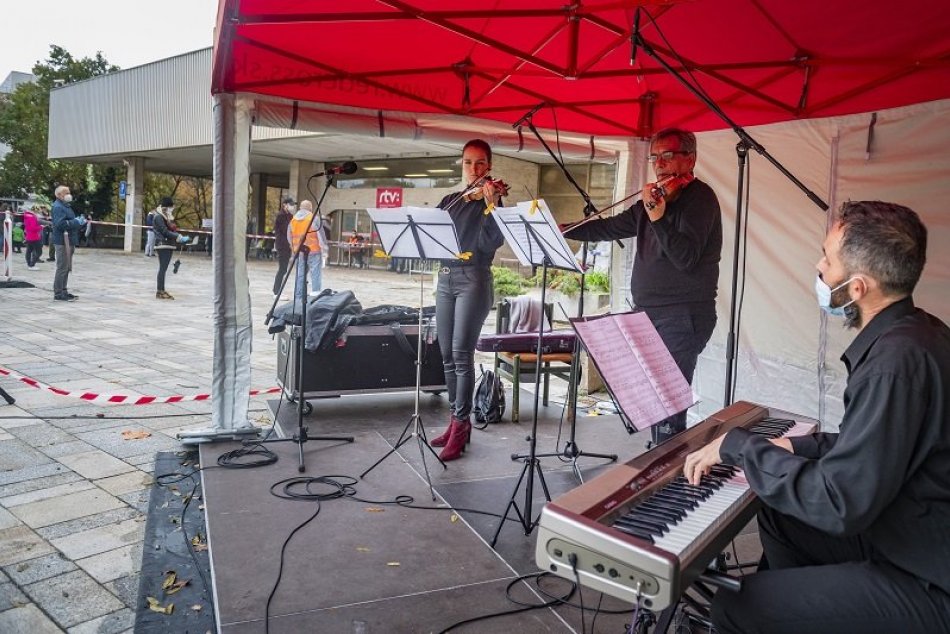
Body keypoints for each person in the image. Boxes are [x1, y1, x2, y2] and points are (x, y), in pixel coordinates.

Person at [682, 201, 950, 634]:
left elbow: (839, 503)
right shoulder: (920, 333)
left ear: (857, 288)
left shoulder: (893, 365)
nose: (818, 267)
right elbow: (867, 446)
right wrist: (794, 446)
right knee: (780, 512)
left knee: (737, 608)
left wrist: (741, 446)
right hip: (910, 531)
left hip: (928, 576)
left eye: (827, 259)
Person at [562, 128, 722, 446]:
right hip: (648, 313)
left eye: (668, 155)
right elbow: (610, 226)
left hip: (682, 316)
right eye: (654, 157)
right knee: (653, 404)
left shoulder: (700, 199)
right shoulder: (652, 201)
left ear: (690, 158)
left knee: (668, 408)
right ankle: (660, 460)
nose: (659, 164)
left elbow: (686, 258)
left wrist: (659, 218)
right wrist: (566, 229)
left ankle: (668, 474)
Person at [428, 139, 505, 462]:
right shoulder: (451, 200)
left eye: (480, 164)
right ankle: (456, 419)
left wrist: (491, 205)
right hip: (445, 278)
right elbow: (432, 232)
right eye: (468, 163)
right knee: (446, 354)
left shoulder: (492, 202)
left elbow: (492, 242)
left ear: (489, 167)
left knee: (461, 354)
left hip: (474, 278)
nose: (474, 170)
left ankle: (461, 426)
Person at [50, 185, 86, 301]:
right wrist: (75, 222)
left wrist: (78, 222)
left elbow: (69, 221)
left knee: (66, 267)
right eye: (66, 193)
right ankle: (58, 293)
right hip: (62, 241)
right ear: (59, 195)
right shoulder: (58, 207)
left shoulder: (65, 206)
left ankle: (64, 290)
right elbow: (60, 224)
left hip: (69, 240)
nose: (69, 195)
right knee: (62, 267)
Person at [151, 196, 189, 299]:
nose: (171, 209)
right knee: (162, 269)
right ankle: (160, 291)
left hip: (167, 244)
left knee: (164, 268)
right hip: (162, 244)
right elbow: (164, 231)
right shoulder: (158, 217)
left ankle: (161, 290)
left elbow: (170, 229)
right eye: (171, 207)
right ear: (166, 206)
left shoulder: (165, 216)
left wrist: (177, 235)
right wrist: (178, 236)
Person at [286, 200, 325, 297]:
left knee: (300, 275)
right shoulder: (314, 219)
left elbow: (289, 237)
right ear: (310, 209)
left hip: (299, 252)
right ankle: (315, 294)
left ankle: (298, 296)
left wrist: (293, 249)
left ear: (300, 208)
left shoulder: (293, 220)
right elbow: (321, 236)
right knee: (315, 273)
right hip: (314, 251)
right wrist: (325, 250)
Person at [272, 196, 294, 296]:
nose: (292, 207)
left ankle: (278, 290)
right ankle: (276, 291)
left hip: (288, 245)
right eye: (290, 205)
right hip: (282, 245)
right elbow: (286, 229)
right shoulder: (280, 216)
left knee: (284, 269)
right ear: (284, 205)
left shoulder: (290, 215)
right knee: (282, 269)